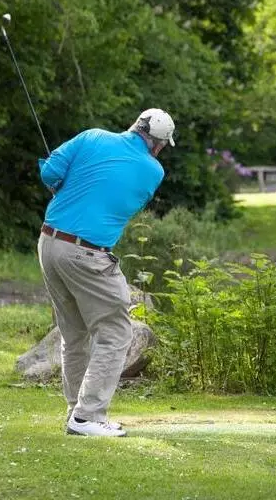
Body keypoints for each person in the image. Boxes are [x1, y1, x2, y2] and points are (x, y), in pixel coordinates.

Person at [36, 108, 175, 437]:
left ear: (134, 125)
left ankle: (77, 412)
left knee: (74, 335)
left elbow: (49, 174)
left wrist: (64, 184)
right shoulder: (153, 171)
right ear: (158, 145)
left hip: (49, 242)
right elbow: (122, 200)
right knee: (116, 333)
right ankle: (87, 417)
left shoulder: (92, 136)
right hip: (86, 253)